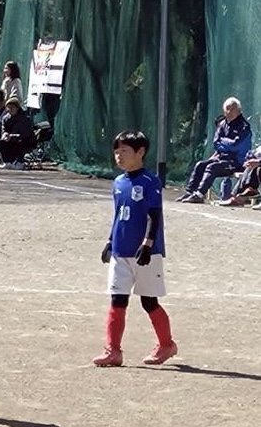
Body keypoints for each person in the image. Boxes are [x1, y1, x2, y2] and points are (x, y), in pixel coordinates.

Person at [93, 131, 178, 367]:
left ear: (140, 152)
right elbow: (118, 216)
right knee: (117, 299)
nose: (119, 156)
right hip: (121, 251)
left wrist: (147, 244)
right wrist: (110, 241)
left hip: (145, 253)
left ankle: (167, 344)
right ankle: (113, 351)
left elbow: (154, 215)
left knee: (149, 302)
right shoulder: (118, 182)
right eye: (116, 151)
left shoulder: (150, 182)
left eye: (124, 151)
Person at [177, 97, 252, 203]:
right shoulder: (223, 124)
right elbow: (216, 143)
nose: (229, 111)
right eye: (227, 109)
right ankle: (190, 192)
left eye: (232, 109)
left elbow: (236, 146)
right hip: (221, 158)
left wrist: (223, 142)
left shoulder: (244, 127)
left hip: (237, 162)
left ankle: (199, 195)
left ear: (239, 110)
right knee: (200, 165)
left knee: (212, 167)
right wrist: (227, 144)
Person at [0, 97, 33, 169]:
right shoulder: (5, 118)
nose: (10, 109)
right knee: (0, 142)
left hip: (25, 140)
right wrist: (4, 134)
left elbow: (26, 134)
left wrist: (12, 136)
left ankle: (20, 162)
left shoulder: (25, 117)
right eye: (8, 107)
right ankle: (7, 162)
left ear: (17, 108)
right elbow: (3, 129)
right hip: (10, 139)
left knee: (22, 141)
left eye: (12, 107)